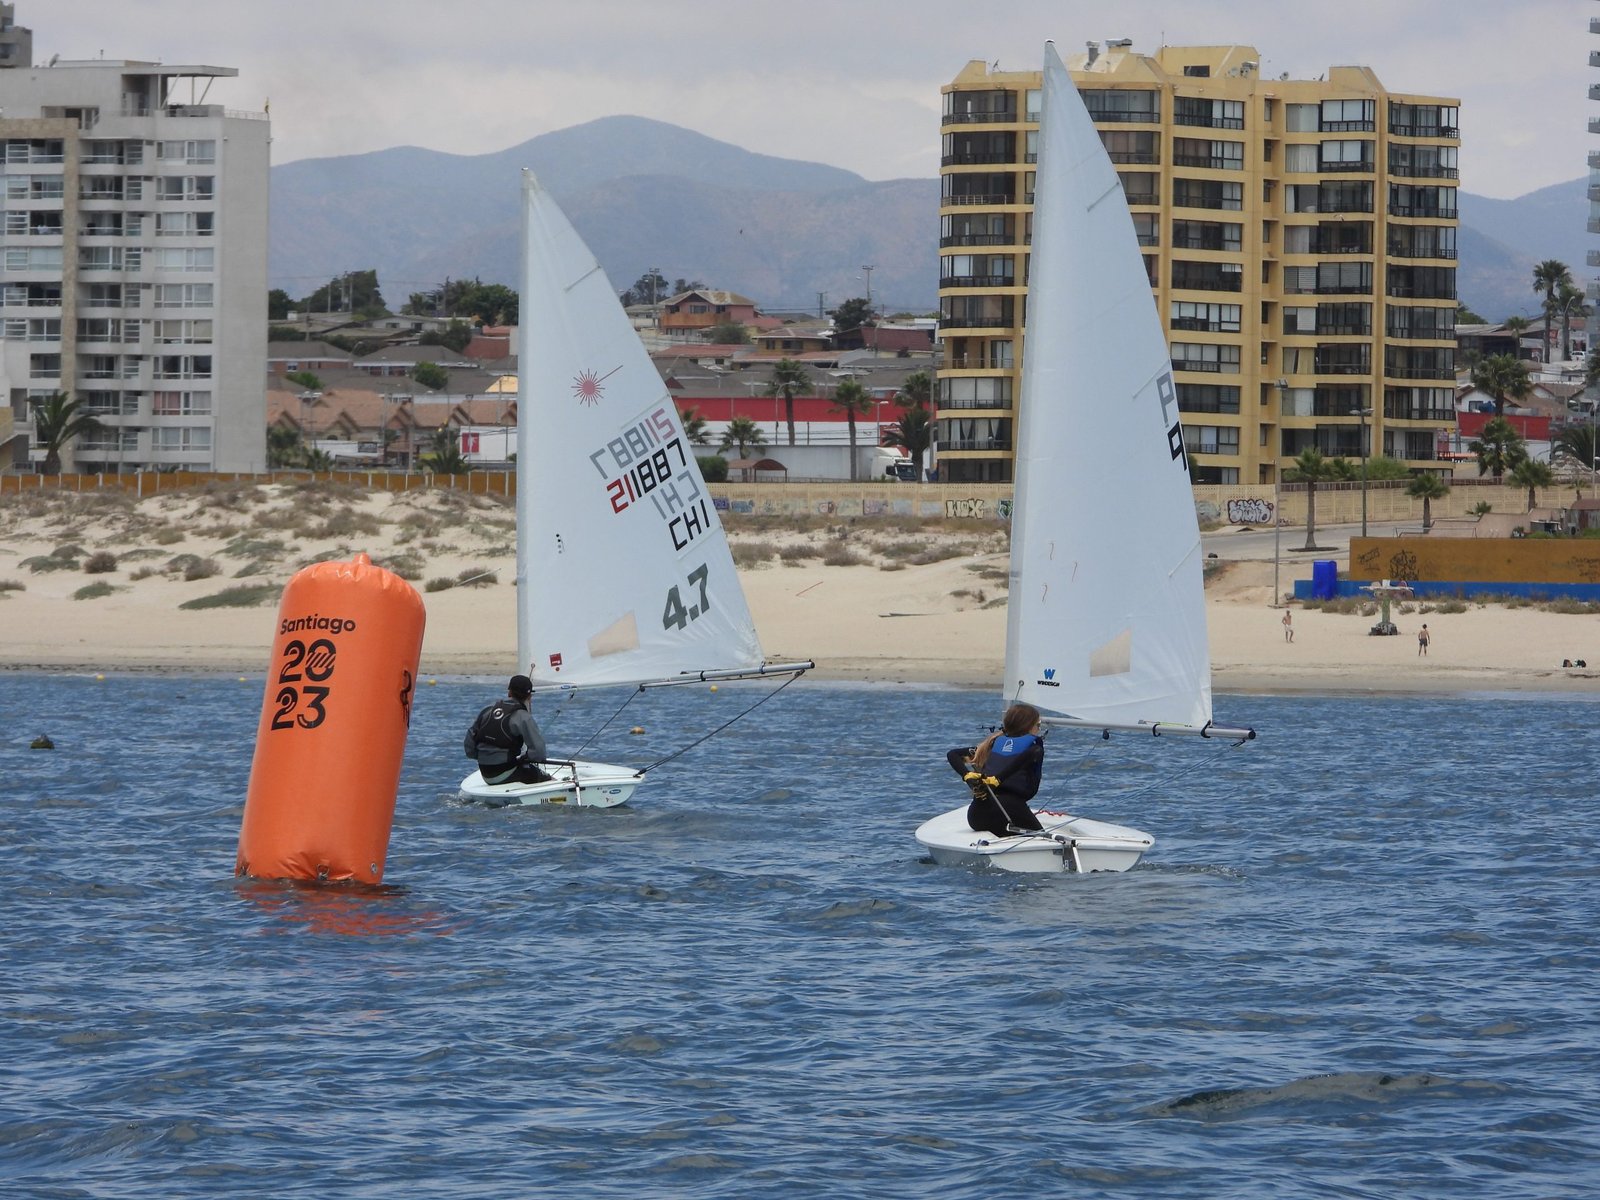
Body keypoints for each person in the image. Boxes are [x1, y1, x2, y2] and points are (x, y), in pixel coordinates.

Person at [946, 702, 1046, 838]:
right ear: (1029, 726)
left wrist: (967, 776)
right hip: (1009, 812)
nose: (1038, 730)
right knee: (1042, 838)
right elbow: (1035, 752)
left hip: (977, 815)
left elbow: (953, 754)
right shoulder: (1034, 748)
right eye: (1038, 725)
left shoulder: (991, 745)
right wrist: (998, 779)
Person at [464, 675, 553, 785]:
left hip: (485, 773)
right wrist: (525, 758)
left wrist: (484, 757)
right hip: (505, 773)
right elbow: (539, 753)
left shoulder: (488, 710)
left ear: (509, 692)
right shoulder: (524, 717)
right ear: (529, 696)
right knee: (547, 779)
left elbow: (469, 747)